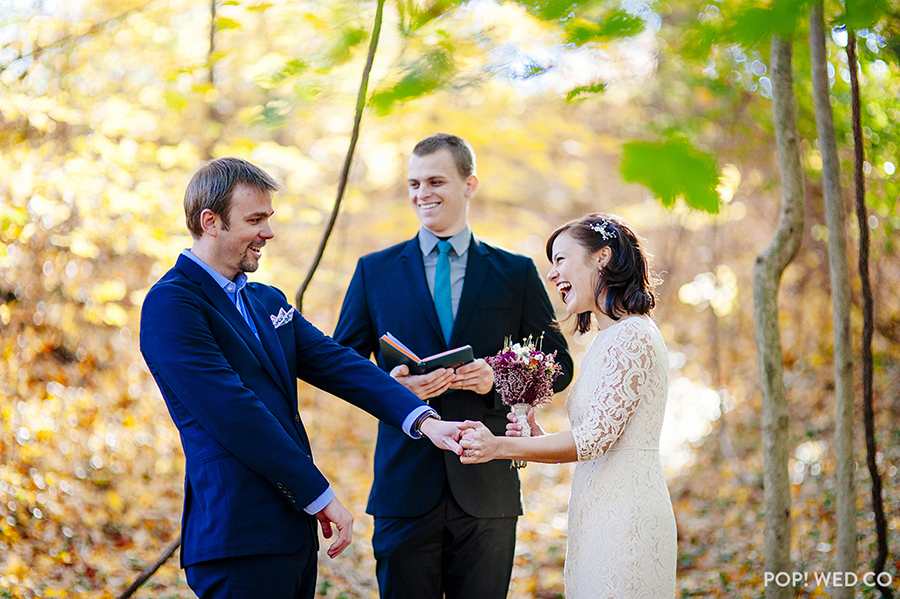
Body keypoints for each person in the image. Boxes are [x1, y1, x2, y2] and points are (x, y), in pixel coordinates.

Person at [139, 157, 465, 599]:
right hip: (238, 535)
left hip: (292, 532)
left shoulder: (265, 299)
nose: (268, 233)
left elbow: (338, 363)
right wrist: (320, 495)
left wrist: (426, 421)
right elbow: (234, 411)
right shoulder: (171, 304)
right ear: (210, 222)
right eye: (255, 220)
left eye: (268, 219)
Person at [333, 133, 573, 599]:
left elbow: (559, 363)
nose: (423, 193)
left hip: (489, 486)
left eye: (436, 181)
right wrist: (395, 386)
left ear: (470, 184)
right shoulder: (373, 271)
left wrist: (500, 378)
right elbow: (340, 365)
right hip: (404, 487)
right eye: (414, 183)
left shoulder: (515, 271)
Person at [458, 213, 677, 598]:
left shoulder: (632, 337)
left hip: (627, 515)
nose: (552, 274)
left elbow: (593, 441)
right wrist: (537, 438)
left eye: (561, 259)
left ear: (602, 257)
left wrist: (498, 447)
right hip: (596, 510)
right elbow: (591, 440)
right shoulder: (604, 341)